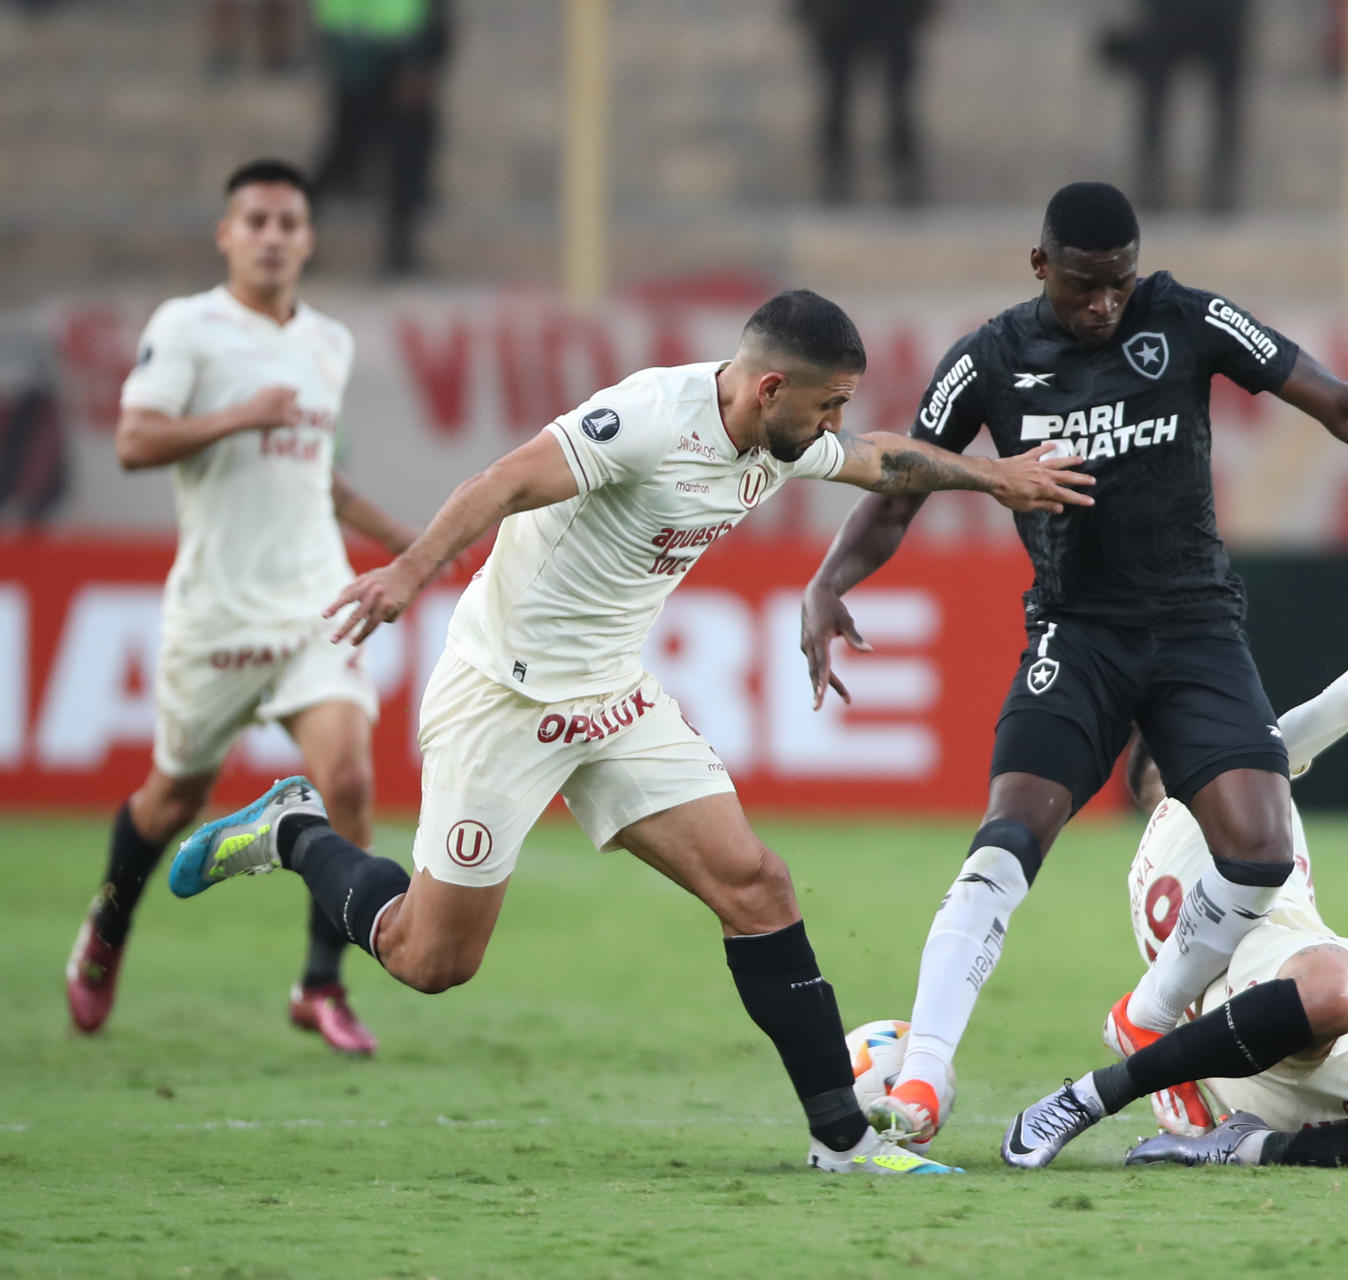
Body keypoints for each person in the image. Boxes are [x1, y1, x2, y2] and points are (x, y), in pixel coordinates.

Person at [167, 291, 1094, 1174]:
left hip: (612, 699)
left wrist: (997, 478)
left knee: (758, 885)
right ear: (770, 388)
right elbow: (503, 480)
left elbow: (885, 459)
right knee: (429, 959)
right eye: (827, 404)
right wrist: (409, 574)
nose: (833, 425)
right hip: (504, 698)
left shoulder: (783, 439)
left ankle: (843, 1140)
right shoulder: (649, 416)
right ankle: (294, 831)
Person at [802, 180, 1348, 1151]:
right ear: (1041, 266)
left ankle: (1146, 1015)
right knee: (1007, 835)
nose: (1104, 307)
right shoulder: (989, 359)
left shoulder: (1189, 318)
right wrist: (831, 579)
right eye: (1083, 287)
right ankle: (924, 1076)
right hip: (1077, 633)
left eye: (1118, 285)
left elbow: (1340, 405)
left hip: (1196, 626)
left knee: (1261, 849)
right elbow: (899, 479)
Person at [1001, 587, 1348, 1169]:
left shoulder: (1148, 868)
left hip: (1258, 1049)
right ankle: (1092, 1095)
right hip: (1287, 992)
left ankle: (1251, 1149)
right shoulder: (1224, 780)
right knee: (1333, 986)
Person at [65, 159, 416, 1054]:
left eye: (287, 222)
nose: (271, 235)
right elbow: (135, 440)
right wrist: (238, 417)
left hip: (312, 600)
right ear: (227, 234)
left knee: (347, 782)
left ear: (308, 238)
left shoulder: (328, 342)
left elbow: (312, 474)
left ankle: (319, 985)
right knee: (170, 797)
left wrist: (409, 544)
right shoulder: (188, 328)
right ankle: (108, 925)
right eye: (254, 220)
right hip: (217, 612)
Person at [308, 0, 451, 276]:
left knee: (406, 159)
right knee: (345, 156)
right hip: (359, 55)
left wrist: (423, 58)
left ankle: (399, 247)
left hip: (394, 52)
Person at [1100, 0, 1253, 212]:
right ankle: (1151, 186)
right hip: (1173, 12)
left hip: (1216, 13)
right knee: (1156, 99)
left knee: (1222, 103)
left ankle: (1220, 189)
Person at [793, 0, 934, 206]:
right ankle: (835, 169)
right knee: (839, 96)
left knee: (894, 102)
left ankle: (901, 169)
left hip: (887, 15)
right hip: (843, 17)